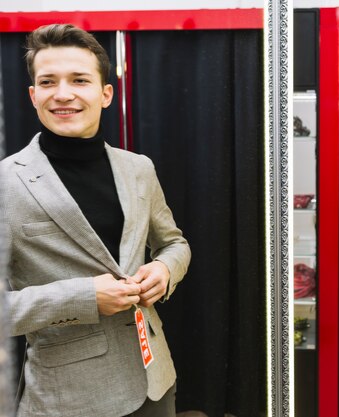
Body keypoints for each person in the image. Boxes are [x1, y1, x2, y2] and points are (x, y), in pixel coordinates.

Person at [0, 24, 191, 417]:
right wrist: (84, 298)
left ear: (105, 94)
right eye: (48, 81)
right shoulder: (6, 183)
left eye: (80, 80)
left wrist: (164, 270)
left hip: (155, 380)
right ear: (33, 95)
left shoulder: (139, 169)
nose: (63, 93)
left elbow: (174, 243)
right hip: (66, 398)